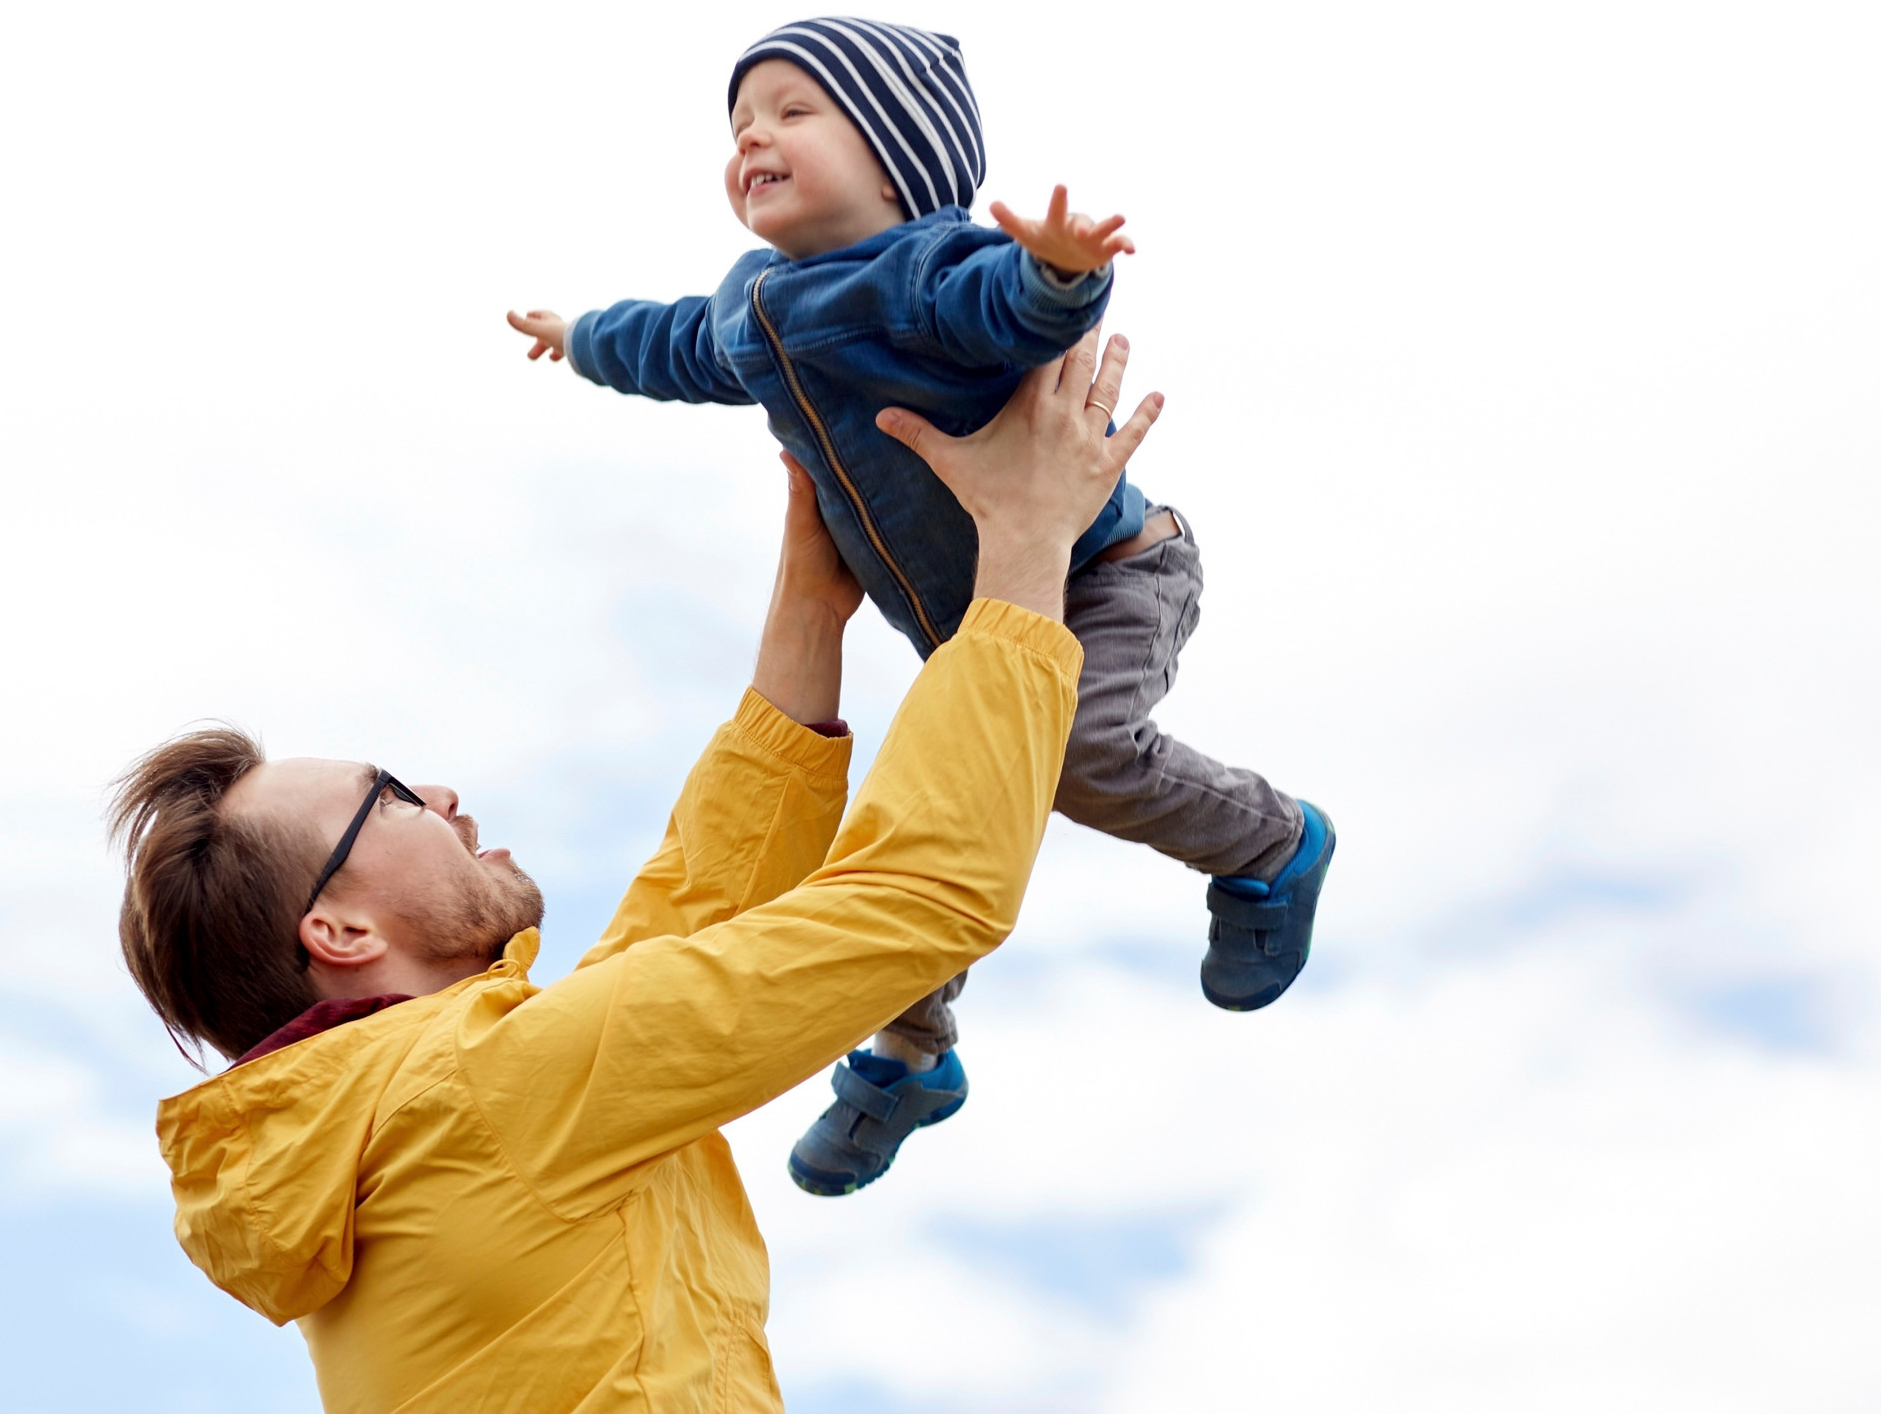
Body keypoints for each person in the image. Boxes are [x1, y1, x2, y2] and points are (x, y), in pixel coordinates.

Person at [111, 336, 1154, 1413]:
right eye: (392, 798)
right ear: (339, 931)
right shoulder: (482, 1091)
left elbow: (687, 921)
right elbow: (925, 895)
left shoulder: (398, 1125)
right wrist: (1027, 537)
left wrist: (807, 598)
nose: (445, 795)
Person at [505, 17, 1335, 1194]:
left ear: (896, 157)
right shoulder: (753, 302)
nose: (753, 137)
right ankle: (907, 1056)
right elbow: (676, 341)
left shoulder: (924, 267)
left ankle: (1267, 840)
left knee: (1078, 754)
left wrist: (1057, 270)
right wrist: (584, 338)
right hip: (980, 627)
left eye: (794, 111)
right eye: (740, 125)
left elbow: (1000, 304)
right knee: (919, 815)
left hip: (1106, 574)